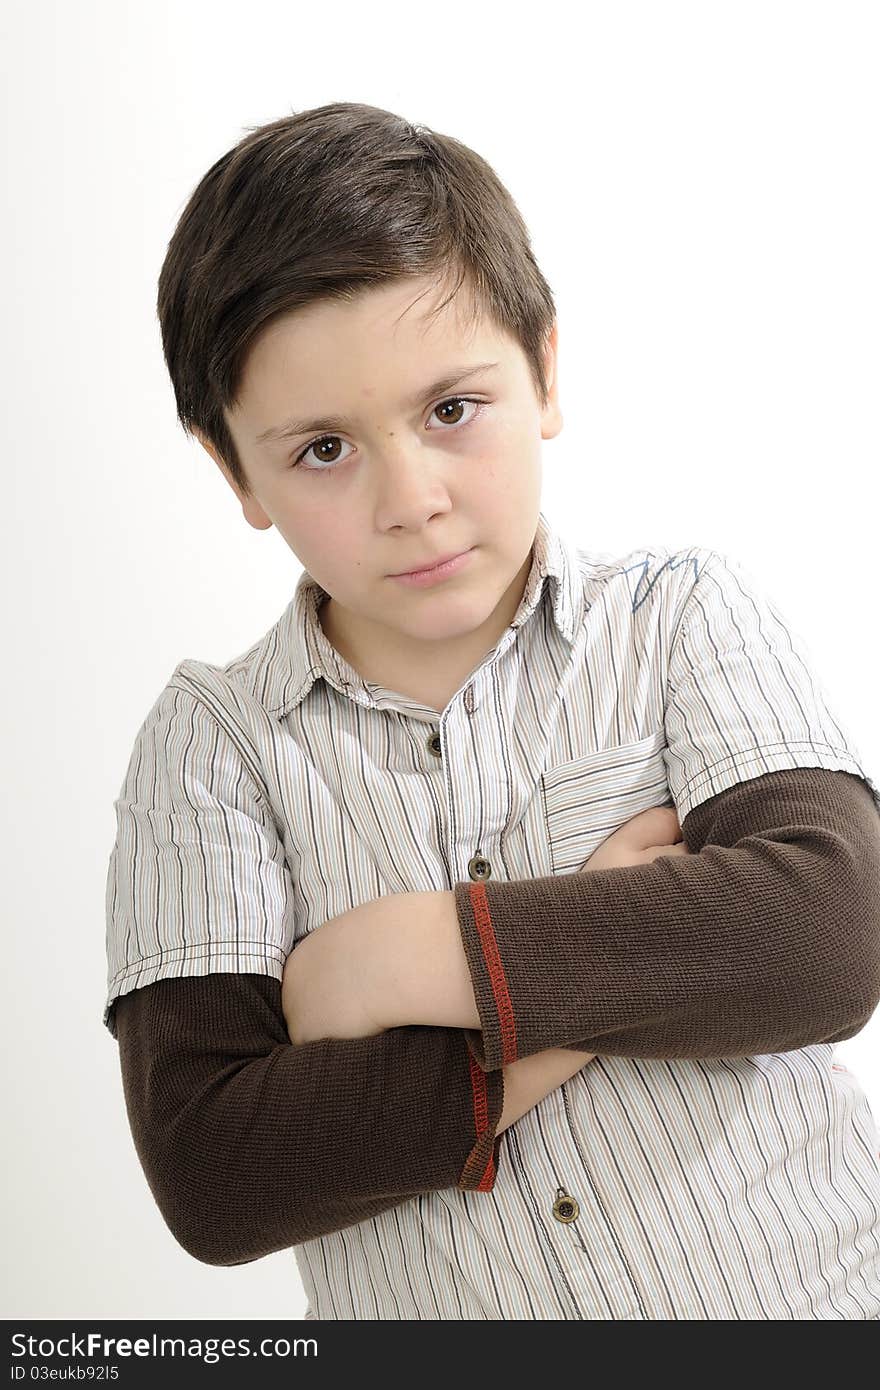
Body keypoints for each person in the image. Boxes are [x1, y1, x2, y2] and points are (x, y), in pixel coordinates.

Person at [105, 101, 880, 1320]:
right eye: (321, 449)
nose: (410, 497)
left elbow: (825, 941)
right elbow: (220, 1172)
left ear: (546, 373)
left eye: (451, 409)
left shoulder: (680, 616)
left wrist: (405, 957)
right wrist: (616, 959)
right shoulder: (214, 751)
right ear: (232, 470)